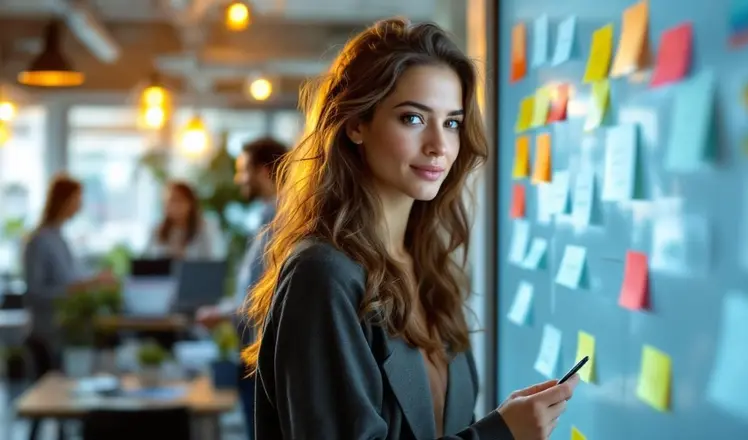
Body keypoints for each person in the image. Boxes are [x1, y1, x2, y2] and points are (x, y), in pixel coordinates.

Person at [243, 18, 579, 440]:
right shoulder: (323, 274)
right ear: (356, 124)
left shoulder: (430, 269)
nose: (439, 145)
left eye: (452, 122)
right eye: (413, 119)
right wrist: (499, 434)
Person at [195, 137, 288, 440]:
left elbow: (267, 299)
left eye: (242, 170)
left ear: (263, 171)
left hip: (266, 361)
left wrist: (224, 314)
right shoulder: (266, 218)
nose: (238, 179)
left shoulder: (282, 223)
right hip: (254, 355)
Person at [22, 173, 116, 440]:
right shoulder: (39, 240)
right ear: (63, 201)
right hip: (49, 335)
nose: (80, 205)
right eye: (77, 199)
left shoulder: (60, 238)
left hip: (67, 332)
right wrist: (84, 286)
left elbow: (70, 281)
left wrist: (92, 283)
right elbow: (36, 293)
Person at [144, 180, 218, 260]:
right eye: (169, 201)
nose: (174, 206)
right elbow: (147, 262)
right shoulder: (157, 231)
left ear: (190, 203)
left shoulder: (204, 229)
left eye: (178, 200)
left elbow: (211, 262)